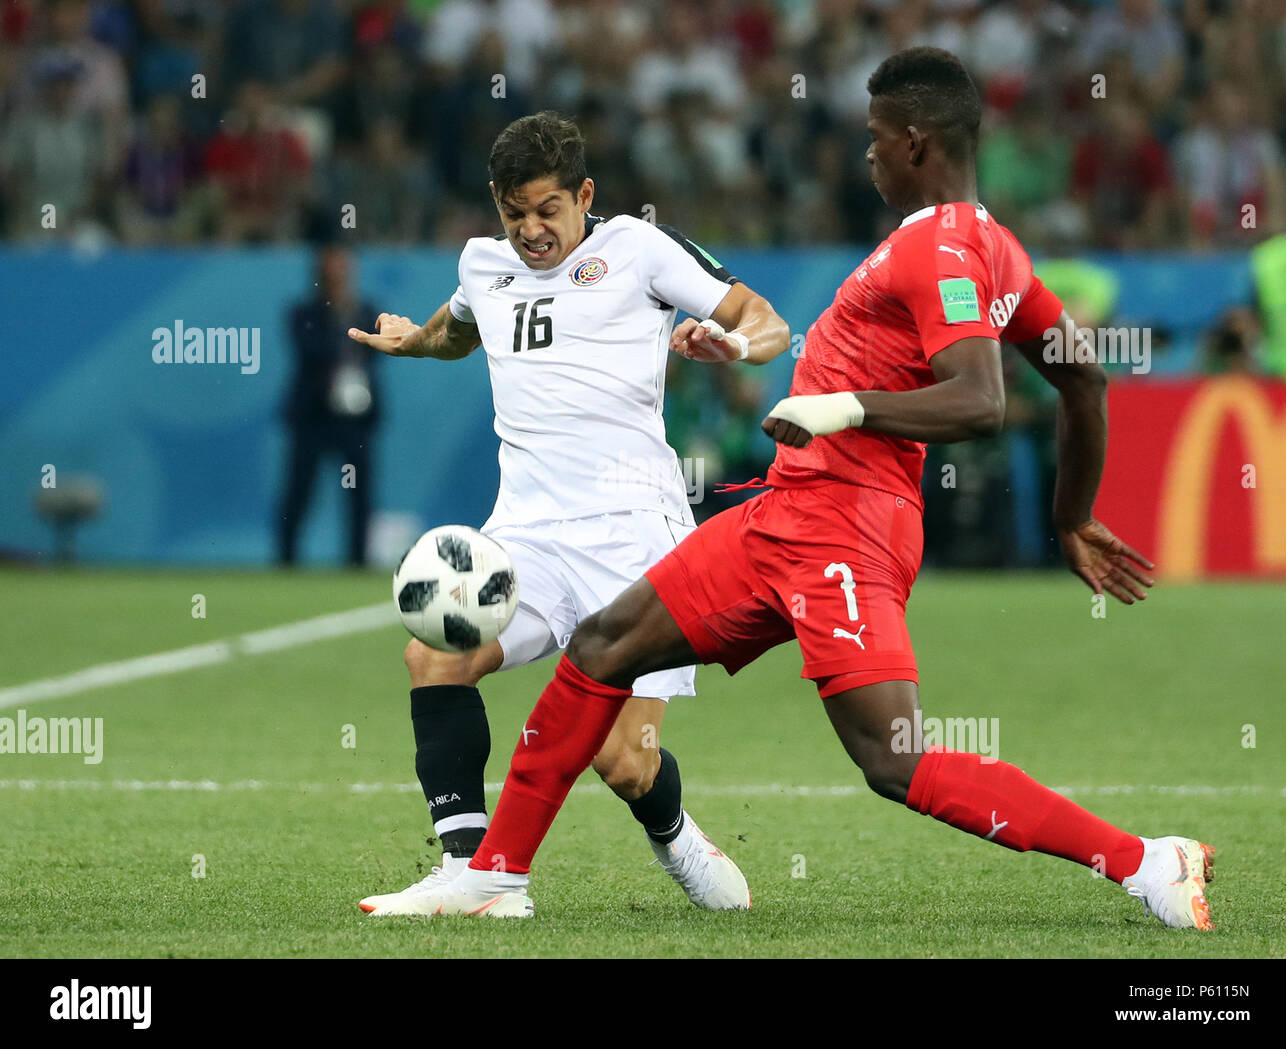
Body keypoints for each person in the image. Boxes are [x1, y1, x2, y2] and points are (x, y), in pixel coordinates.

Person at [412, 49, 1216, 931]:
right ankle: (495, 872)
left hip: (847, 529)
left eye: (875, 140)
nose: (865, 156)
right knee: (602, 646)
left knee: (894, 760)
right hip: (783, 515)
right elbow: (1084, 381)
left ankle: (1147, 860)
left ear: (914, 143)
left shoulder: (945, 246)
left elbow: (982, 399)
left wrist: (842, 407)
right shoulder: (993, 248)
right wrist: (1070, 519)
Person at [346, 111, 790, 915]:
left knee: (622, 759)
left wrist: (737, 347)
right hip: (525, 534)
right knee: (435, 655)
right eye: (514, 213)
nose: (531, 231)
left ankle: (680, 836)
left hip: (634, 536)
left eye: (548, 209)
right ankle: (473, 876)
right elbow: (459, 332)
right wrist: (414, 340)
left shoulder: (639, 248)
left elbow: (766, 322)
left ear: (584, 194)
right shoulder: (484, 263)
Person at [278, 245, 381, 566]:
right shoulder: (304, 314)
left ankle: (357, 560)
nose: (339, 275)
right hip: (314, 416)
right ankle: (286, 559)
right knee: (300, 490)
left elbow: (379, 349)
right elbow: (309, 350)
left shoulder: (365, 311)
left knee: (359, 494)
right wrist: (340, 329)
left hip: (354, 417)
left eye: (343, 268)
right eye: (332, 269)